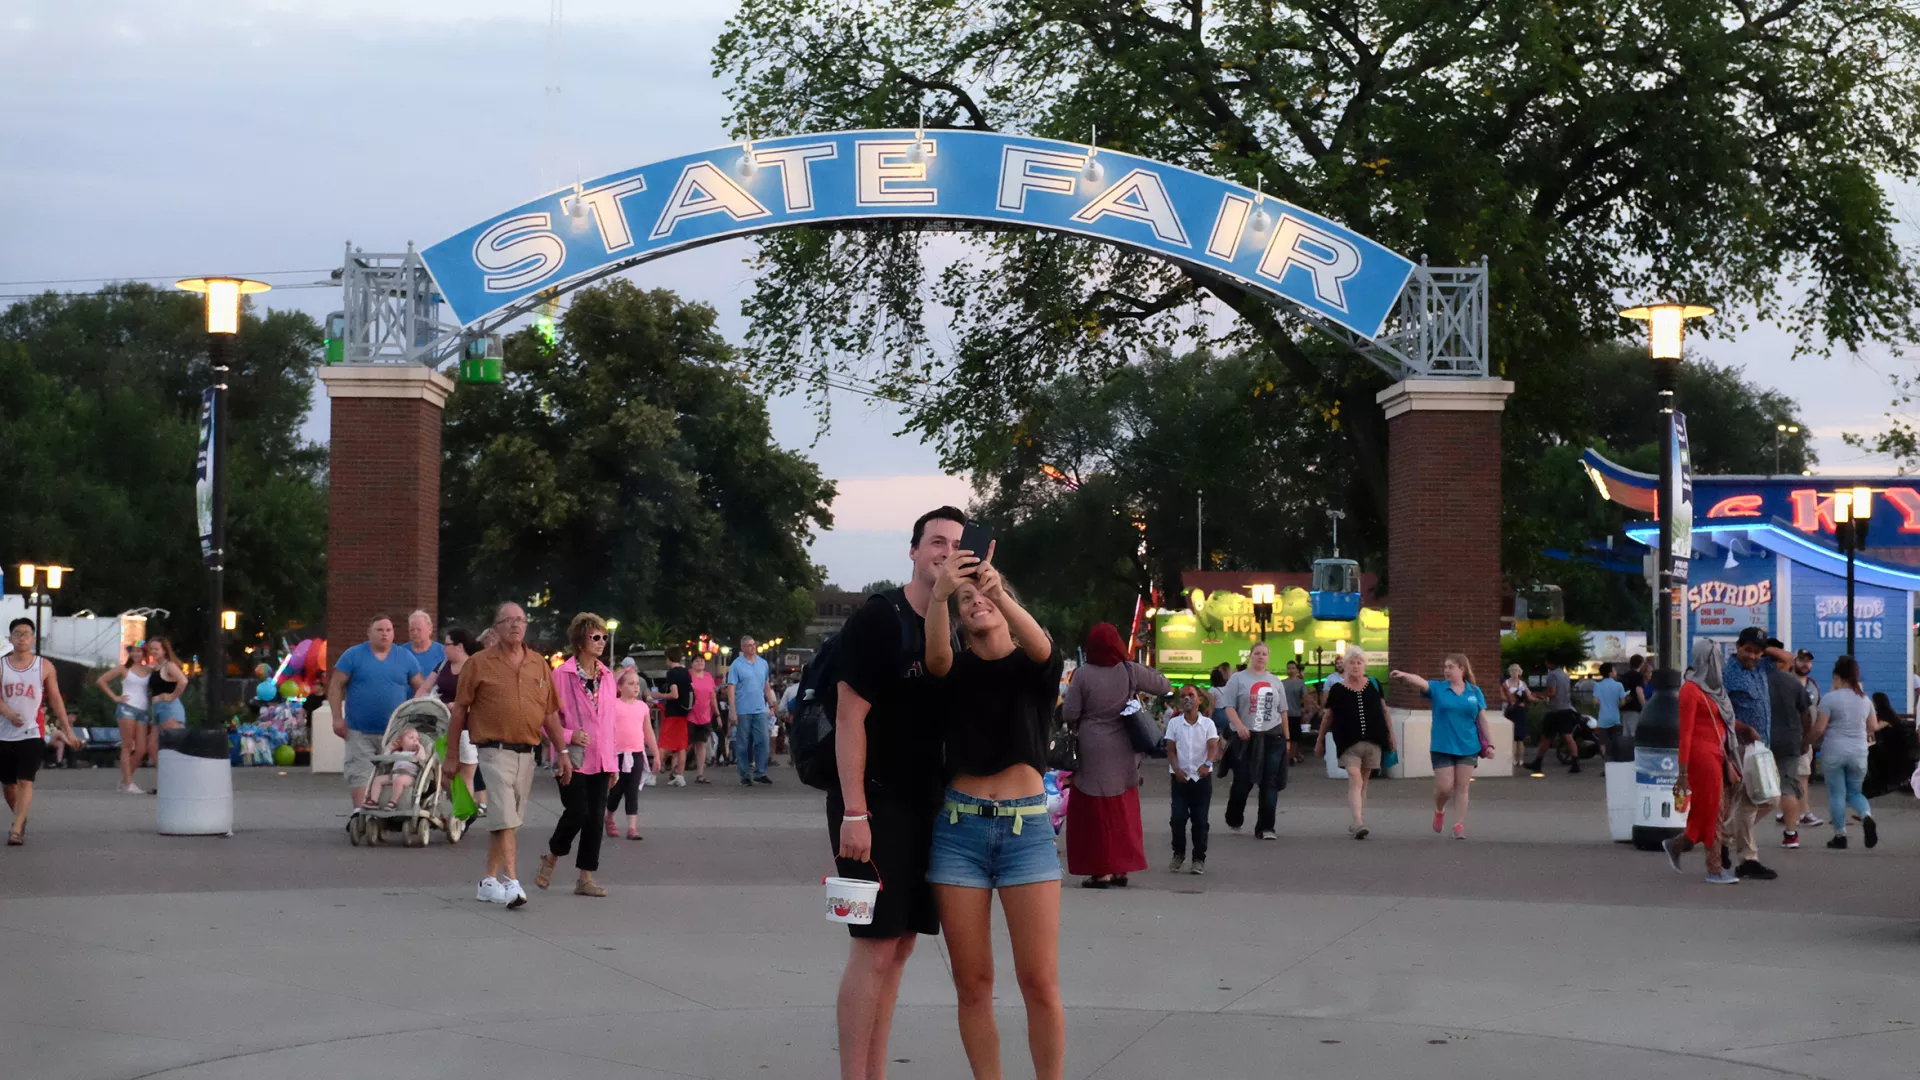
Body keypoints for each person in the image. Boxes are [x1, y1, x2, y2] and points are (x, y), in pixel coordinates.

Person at [830, 506, 963, 1080]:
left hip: (925, 806)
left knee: (904, 943)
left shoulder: (953, 626)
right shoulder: (879, 619)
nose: (945, 552)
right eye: (936, 542)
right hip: (870, 807)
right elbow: (847, 719)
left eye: (957, 544)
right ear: (913, 551)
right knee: (873, 944)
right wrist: (854, 812)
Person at [924, 544, 1066, 1080]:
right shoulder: (954, 669)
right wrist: (943, 595)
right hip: (958, 833)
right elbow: (935, 658)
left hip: (1025, 829)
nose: (975, 602)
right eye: (967, 601)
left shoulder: (1032, 669)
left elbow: (1042, 645)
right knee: (973, 983)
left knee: (1039, 981)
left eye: (982, 593)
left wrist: (995, 591)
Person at [443, 602, 570, 909]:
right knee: (502, 814)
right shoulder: (478, 663)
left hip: (527, 753)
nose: (515, 625)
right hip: (492, 750)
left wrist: (562, 752)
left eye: (520, 620)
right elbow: (460, 710)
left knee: (507, 822)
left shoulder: (539, 664)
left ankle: (488, 881)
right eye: (508, 620)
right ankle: (512, 882)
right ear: (496, 627)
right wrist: (450, 756)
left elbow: (550, 713)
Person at [1062, 622, 1169, 887]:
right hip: (1124, 748)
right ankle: (1122, 868)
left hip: (1092, 748)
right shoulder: (1129, 670)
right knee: (1122, 810)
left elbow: (1070, 713)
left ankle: (1101, 871)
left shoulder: (1083, 675)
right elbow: (1164, 685)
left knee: (1094, 812)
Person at [538, 612, 619, 898]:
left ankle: (585, 877)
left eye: (604, 637)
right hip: (570, 757)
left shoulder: (608, 676)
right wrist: (570, 735)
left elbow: (610, 722)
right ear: (580, 640)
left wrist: (613, 761)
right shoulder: (562, 674)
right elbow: (546, 718)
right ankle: (552, 856)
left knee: (595, 818)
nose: (601, 642)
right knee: (578, 811)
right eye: (595, 637)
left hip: (601, 759)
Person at [1662, 638, 1741, 883]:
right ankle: (1714, 868)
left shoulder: (1714, 689)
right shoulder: (1690, 690)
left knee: (1710, 811)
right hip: (1701, 757)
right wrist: (1682, 772)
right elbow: (1685, 734)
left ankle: (1677, 845)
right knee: (1713, 812)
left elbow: (1722, 723)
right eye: (1714, 657)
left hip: (1719, 754)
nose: (1719, 662)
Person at [1391, 655, 1491, 840]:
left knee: (1462, 787)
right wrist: (1405, 675)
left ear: (1462, 669)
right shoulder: (1438, 688)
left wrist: (1490, 743)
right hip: (1442, 745)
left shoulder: (1474, 691)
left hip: (1468, 746)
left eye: (1451, 667)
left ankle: (1459, 824)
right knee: (1445, 787)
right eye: (1445, 667)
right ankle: (1439, 809)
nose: (1446, 670)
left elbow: (1482, 718)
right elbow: (1422, 682)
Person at [328, 615, 421, 812]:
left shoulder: (405, 657)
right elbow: (336, 686)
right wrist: (337, 718)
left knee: (394, 773)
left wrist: (417, 719)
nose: (385, 634)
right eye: (379, 630)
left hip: (395, 733)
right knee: (360, 773)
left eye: (388, 630)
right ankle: (361, 814)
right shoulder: (353, 655)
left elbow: (420, 688)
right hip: (359, 730)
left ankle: (391, 811)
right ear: (369, 633)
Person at [1, 619, 77, 845]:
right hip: (4, 733)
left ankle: (16, 828)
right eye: (17, 633)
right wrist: (8, 714)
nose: (22, 637)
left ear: (33, 639)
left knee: (26, 780)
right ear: (10, 638)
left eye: (26, 633)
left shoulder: (44, 666)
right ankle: (20, 817)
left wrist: (68, 731)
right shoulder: (2, 665)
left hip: (32, 732)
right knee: (8, 785)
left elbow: (55, 700)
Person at [1720, 628, 1781, 880]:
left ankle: (1722, 837)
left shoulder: (1761, 667)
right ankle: (1748, 859)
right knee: (1750, 801)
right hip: (1741, 746)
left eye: (1757, 652)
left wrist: (1764, 648)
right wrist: (1741, 729)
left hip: (1761, 747)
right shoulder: (1728, 674)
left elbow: (1787, 657)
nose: (1753, 656)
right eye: (1748, 650)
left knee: (1770, 799)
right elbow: (1719, 711)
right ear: (1738, 647)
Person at [1315, 650, 1394, 839]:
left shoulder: (1374, 685)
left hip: (1373, 740)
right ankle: (1358, 822)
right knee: (1355, 777)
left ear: (1364, 665)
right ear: (1345, 666)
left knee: (1363, 782)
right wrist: (1320, 740)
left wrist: (1392, 736)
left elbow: (1384, 711)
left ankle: (1357, 819)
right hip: (1348, 741)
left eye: (1359, 662)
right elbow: (1328, 716)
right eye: (1352, 662)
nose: (1356, 666)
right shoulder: (1337, 689)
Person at [1220, 642, 1290, 840]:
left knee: (1270, 782)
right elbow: (1229, 706)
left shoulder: (1276, 681)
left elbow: (1282, 711)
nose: (1261, 657)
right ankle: (1234, 816)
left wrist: (1287, 737)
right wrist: (1240, 726)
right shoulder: (1238, 679)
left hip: (1272, 736)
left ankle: (1266, 827)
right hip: (1245, 738)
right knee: (1243, 782)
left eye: (1264, 654)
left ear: (1268, 657)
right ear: (1250, 656)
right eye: (1257, 653)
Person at [1810, 658, 1878, 850]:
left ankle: (1840, 835)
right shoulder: (1865, 699)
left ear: (1837, 677)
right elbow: (1872, 726)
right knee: (1855, 792)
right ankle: (1866, 815)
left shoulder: (1830, 699)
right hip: (1859, 752)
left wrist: (1806, 741)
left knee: (1837, 794)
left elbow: (1819, 729)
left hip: (1834, 751)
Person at [1165, 684, 1221, 873]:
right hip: (1180, 779)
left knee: (1200, 821)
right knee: (1178, 819)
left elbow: (1213, 746)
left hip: (1201, 779)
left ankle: (1198, 859)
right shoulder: (1174, 724)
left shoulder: (1207, 724)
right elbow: (1171, 749)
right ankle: (1178, 854)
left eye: (1191, 695)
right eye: (1183, 696)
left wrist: (1208, 764)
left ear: (1199, 700)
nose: (1187, 699)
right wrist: (1176, 769)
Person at [1762, 642, 1813, 849]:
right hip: (1791, 741)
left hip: (1762, 741)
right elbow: (1806, 715)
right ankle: (1791, 834)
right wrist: (1806, 740)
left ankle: (1739, 832)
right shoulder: (1793, 684)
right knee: (1788, 788)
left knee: (1752, 788)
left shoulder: (1758, 680)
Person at [434, 627, 486, 817]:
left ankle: (463, 816)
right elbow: (425, 687)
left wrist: (458, 706)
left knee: (465, 772)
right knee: (440, 773)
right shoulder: (442, 666)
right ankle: (463, 806)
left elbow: (482, 699)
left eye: (447, 644)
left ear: (459, 646)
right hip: (442, 725)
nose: (444, 649)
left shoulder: (473, 667)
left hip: (466, 727)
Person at [606, 667, 658, 840]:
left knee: (632, 790)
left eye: (637, 684)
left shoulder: (642, 707)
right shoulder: (613, 705)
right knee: (616, 790)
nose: (636, 687)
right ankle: (610, 817)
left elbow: (648, 731)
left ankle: (632, 827)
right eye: (631, 683)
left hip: (636, 752)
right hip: (617, 754)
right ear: (620, 687)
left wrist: (656, 754)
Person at [96, 643, 155, 794]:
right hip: (127, 708)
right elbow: (101, 680)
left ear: (144, 654)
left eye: (139, 651)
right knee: (127, 746)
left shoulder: (148, 669)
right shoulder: (123, 668)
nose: (136, 654)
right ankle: (128, 783)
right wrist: (115, 697)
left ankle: (125, 780)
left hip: (142, 710)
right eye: (133, 651)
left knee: (141, 749)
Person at [727, 636, 779, 786]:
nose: (752, 648)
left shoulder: (762, 664)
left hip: (760, 709)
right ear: (742, 648)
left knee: (763, 741)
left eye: (754, 645)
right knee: (743, 743)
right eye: (748, 645)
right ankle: (744, 774)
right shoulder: (736, 665)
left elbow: (766, 685)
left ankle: (760, 772)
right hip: (742, 709)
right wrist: (733, 711)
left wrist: (771, 704)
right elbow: (731, 689)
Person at [1525, 658, 1580, 775]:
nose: (1545, 664)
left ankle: (1538, 763)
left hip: (1555, 711)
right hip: (1567, 709)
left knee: (1546, 737)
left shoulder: (1552, 675)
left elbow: (1552, 692)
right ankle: (1575, 763)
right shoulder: (1565, 675)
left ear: (1551, 663)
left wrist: (1537, 694)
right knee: (1568, 737)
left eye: (1547, 661)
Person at [362, 725, 427, 810]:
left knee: (399, 780)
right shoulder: (396, 753)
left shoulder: (415, 754)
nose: (415, 740)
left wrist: (420, 747)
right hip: (394, 774)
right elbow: (385, 759)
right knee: (378, 779)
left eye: (417, 739)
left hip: (409, 776)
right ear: (401, 741)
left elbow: (422, 758)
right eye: (411, 738)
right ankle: (374, 801)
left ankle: (393, 802)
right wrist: (390, 748)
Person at [656, 646, 694, 786]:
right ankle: (680, 775)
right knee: (681, 746)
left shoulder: (672, 673)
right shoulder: (686, 672)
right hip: (684, 712)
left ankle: (653, 774)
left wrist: (659, 695)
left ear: (668, 658)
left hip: (672, 713)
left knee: (663, 744)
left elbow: (674, 694)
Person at [146, 638, 188, 734]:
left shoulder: (169, 665)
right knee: (153, 746)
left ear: (164, 650)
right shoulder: (156, 667)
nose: (153, 651)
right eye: (151, 649)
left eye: (156, 649)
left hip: (168, 708)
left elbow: (183, 681)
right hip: (156, 708)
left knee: (171, 744)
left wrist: (172, 696)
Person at [687, 654, 717, 784]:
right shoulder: (688, 676)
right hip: (690, 715)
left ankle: (700, 774)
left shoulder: (709, 677)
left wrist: (717, 714)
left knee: (701, 744)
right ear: (692, 663)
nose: (700, 663)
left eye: (702, 661)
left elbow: (713, 697)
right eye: (697, 661)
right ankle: (676, 770)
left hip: (705, 715)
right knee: (685, 744)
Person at [403, 610, 447, 698]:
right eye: (412, 630)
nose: (415, 633)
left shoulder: (443, 652)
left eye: (419, 629)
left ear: (430, 629)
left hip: (435, 704)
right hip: (406, 705)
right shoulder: (401, 652)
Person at [1207, 664, 1236, 784]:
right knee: (1223, 735)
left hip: (1217, 714)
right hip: (1226, 712)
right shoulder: (1226, 688)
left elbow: (1212, 704)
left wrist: (1208, 716)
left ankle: (1222, 755)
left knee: (1217, 736)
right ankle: (1223, 755)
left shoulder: (1212, 690)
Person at [1592, 662, 1626, 759]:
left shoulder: (1598, 686)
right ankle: (1614, 762)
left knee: (1603, 743)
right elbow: (1622, 702)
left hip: (1603, 719)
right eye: (1614, 670)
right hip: (1615, 719)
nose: (1616, 672)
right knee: (1616, 741)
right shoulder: (1619, 685)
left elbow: (1595, 701)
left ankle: (1606, 762)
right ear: (1611, 673)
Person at [1500, 664, 1531, 759]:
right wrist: (1512, 700)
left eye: (1516, 670)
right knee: (1510, 735)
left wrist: (1523, 700)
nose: (1514, 672)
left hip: (1519, 711)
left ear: (1519, 672)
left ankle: (1520, 757)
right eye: (1512, 670)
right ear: (1509, 672)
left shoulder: (1522, 684)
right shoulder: (1505, 684)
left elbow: (1528, 695)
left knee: (1519, 735)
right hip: (1508, 710)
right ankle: (1510, 757)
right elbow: (1501, 696)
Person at [1618, 654, 1647, 738]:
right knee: (1635, 734)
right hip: (1634, 709)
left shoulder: (1624, 676)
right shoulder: (1638, 676)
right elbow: (1639, 691)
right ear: (1641, 664)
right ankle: (1634, 751)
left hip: (1623, 708)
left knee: (1626, 734)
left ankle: (1626, 751)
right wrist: (1645, 706)